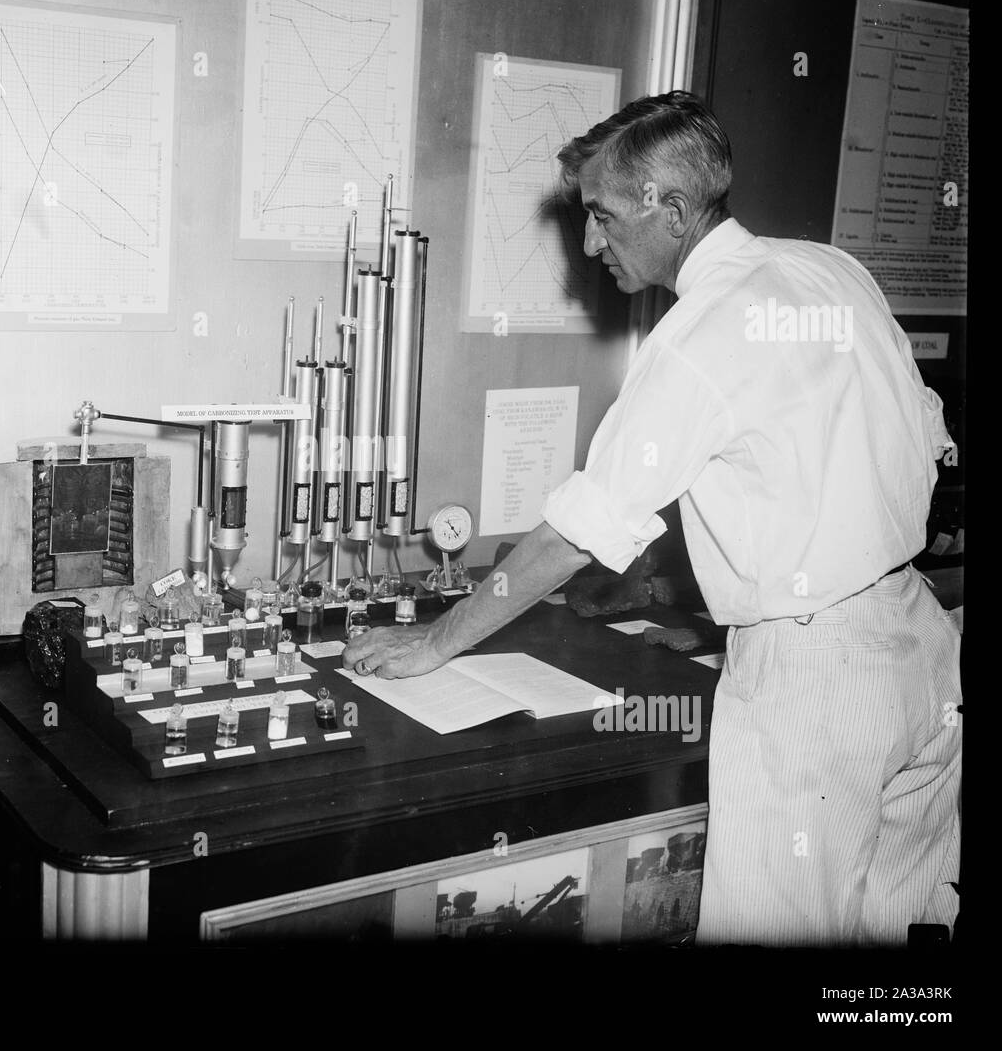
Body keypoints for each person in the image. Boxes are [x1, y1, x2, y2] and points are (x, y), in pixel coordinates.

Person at [343, 90, 960, 946]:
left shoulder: (699, 333)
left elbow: (574, 534)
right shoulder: (830, 270)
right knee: (901, 941)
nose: (591, 243)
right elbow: (932, 440)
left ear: (670, 210)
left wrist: (435, 642)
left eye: (602, 215)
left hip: (814, 676)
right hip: (923, 648)